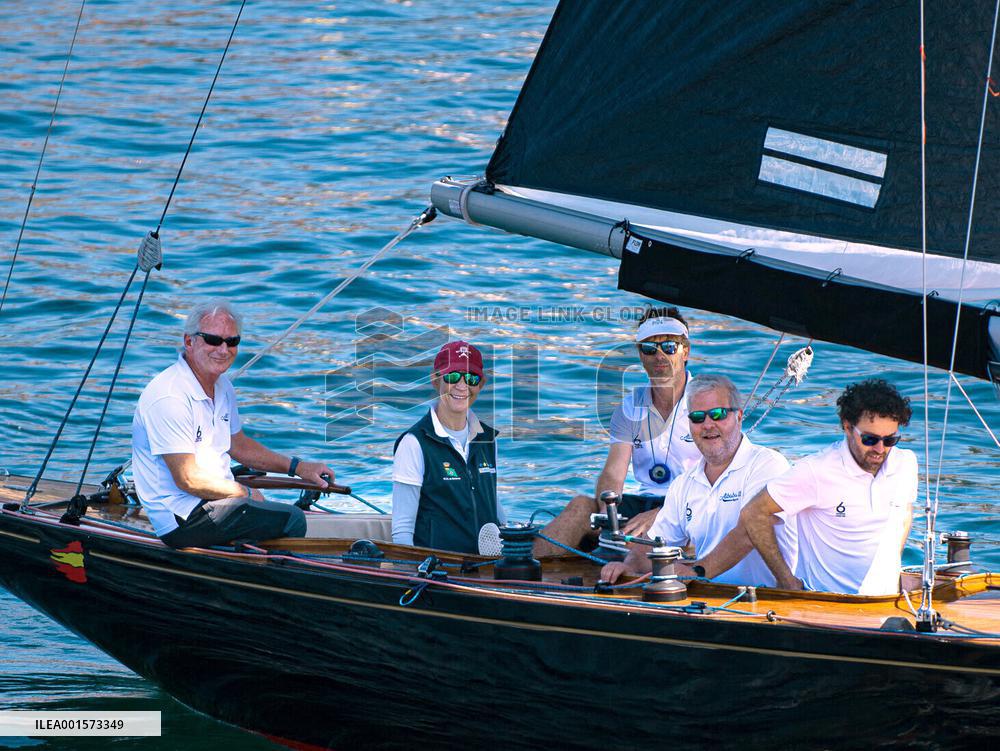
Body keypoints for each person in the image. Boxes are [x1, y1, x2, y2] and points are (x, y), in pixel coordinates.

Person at [131, 300, 335, 548]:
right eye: (213, 340)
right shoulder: (169, 396)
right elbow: (188, 479)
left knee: (270, 512)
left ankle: (246, 557)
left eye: (232, 341)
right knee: (293, 519)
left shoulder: (222, 386)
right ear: (189, 341)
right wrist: (243, 492)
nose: (223, 349)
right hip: (180, 517)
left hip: (212, 502)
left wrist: (299, 467)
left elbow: (238, 445)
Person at [534, 307, 702, 557]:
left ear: (685, 351)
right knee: (581, 506)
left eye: (669, 347)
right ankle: (519, 570)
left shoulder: (706, 401)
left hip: (691, 507)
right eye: (649, 348)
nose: (659, 356)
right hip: (643, 502)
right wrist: (607, 513)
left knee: (651, 535)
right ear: (640, 355)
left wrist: (664, 514)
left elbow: (718, 482)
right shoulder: (629, 407)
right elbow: (614, 472)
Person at [600, 375, 795, 586]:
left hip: (773, 597)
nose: (708, 425)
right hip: (710, 595)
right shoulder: (684, 484)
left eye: (718, 414)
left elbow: (750, 532)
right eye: (698, 417)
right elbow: (652, 543)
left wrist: (696, 572)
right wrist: (630, 567)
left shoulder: (767, 465)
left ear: (739, 416)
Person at [739, 378, 917, 595]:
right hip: (826, 603)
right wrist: (786, 580)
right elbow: (753, 513)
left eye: (890, 440)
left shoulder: (906, 463)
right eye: (870, 439)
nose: (880, 449)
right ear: (847, 427)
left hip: (886, 602)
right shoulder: (815, 470)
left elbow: (904, 515)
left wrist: (892, 567)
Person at [392, 341, 505, 554]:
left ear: (481, 384)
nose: (462, 386)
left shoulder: (488, 439)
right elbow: (402, 530)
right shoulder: (414, 443)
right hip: (440, 567)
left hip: (486, 565)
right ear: (435, 380)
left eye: (471, 378)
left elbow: (494, 505)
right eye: (452, 376)